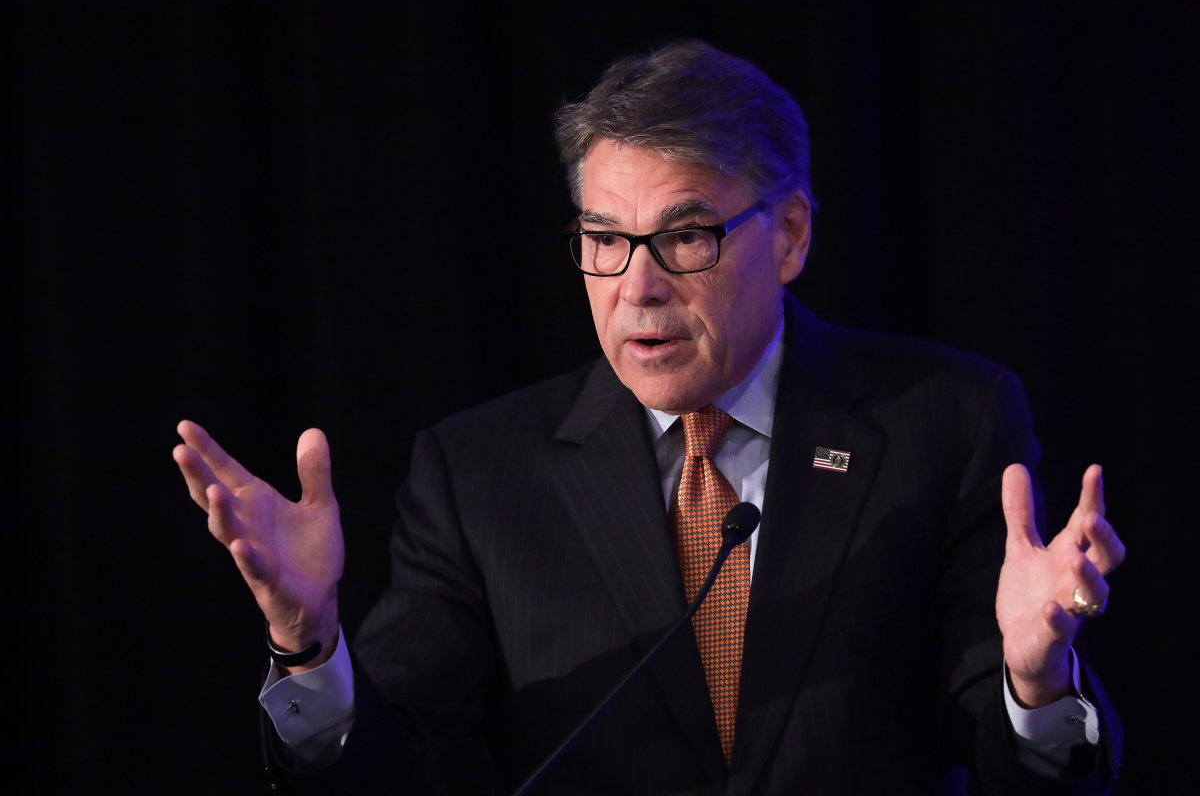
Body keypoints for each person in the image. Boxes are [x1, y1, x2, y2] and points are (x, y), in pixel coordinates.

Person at [174, 41, 1125, 794]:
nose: (638, 288)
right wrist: (311, 647)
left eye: (683, 236)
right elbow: (395, 769)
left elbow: (1032, 774)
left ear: (789, 236)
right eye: (603, 240)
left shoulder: (945, 422)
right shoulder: (480, 473)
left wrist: (1035, 687)